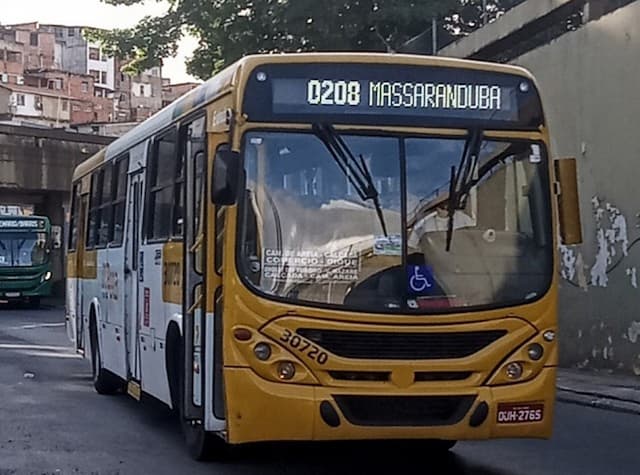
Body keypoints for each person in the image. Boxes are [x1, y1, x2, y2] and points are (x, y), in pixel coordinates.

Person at [408, 203, 475, 249]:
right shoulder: (425, 223)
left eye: (449, 207)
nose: (446, 210)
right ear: (437, 207)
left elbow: (474, 233)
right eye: (442, 207)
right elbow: (412, 244)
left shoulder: (463, 218)